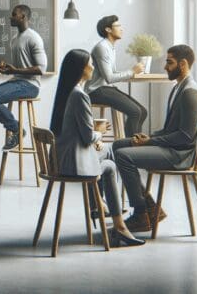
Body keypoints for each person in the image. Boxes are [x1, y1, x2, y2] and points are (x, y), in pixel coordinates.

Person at [50, 49, 145, 247]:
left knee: (107, 152)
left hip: (60, 157)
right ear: (81, 69)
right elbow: (86, 137)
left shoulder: (66, 92)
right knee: (110, 163)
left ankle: (99, 205)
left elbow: (76, 132)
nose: (93, 67)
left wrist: (95, 138)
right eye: (90, 64)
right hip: (72, 163)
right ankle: (118, 223)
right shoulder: (80, 96)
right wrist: (99, 132)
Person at [113, 45, 197, 232]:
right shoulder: (178, 88)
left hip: (179, 155)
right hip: (171, 147)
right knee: (118, 144)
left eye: (169, 62)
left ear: (183, 63)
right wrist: (150, 136)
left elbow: (185, 137)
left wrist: (150, 142)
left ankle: (141, 213)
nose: (165, 67)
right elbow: (170, 129)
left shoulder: (190, 93)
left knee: (124, 156)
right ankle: (151, 207)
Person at [0, 4, 47, 150]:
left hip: (30, 86)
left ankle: (16, 129)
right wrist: (7, 70)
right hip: (18, 81)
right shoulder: (14, 39)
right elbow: (19, 69)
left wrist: (16, 70)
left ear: (23, 17)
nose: (10, 17)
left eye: (14, 14)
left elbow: (41, 69)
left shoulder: (34, 38)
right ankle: (16, 128)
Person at [86, 15, 147, 137]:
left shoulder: (110, 47)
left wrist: (132, 71)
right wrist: (132, 71)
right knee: (135, 112)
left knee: (142, 112)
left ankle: (134, 145)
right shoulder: (102, 47)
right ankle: (130, 148)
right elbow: (109, 78)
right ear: (108, 29)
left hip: (106, 89)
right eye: (118, 26)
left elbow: (110, 75)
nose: (121, 29)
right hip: (96, 91)